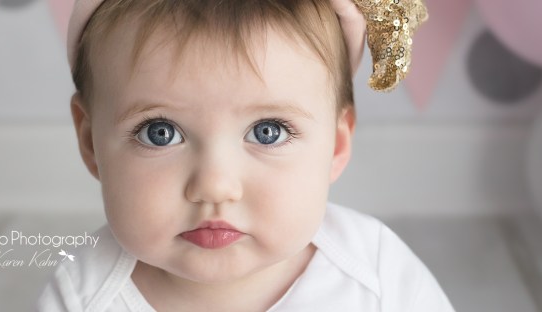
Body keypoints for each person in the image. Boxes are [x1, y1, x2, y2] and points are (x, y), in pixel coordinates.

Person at [38, 0, 454, 310]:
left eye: (267, 132)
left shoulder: (377, 278)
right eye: (160, 133)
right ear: (90, 143)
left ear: (336, 145)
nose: (215, 186)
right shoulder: (83, 295)